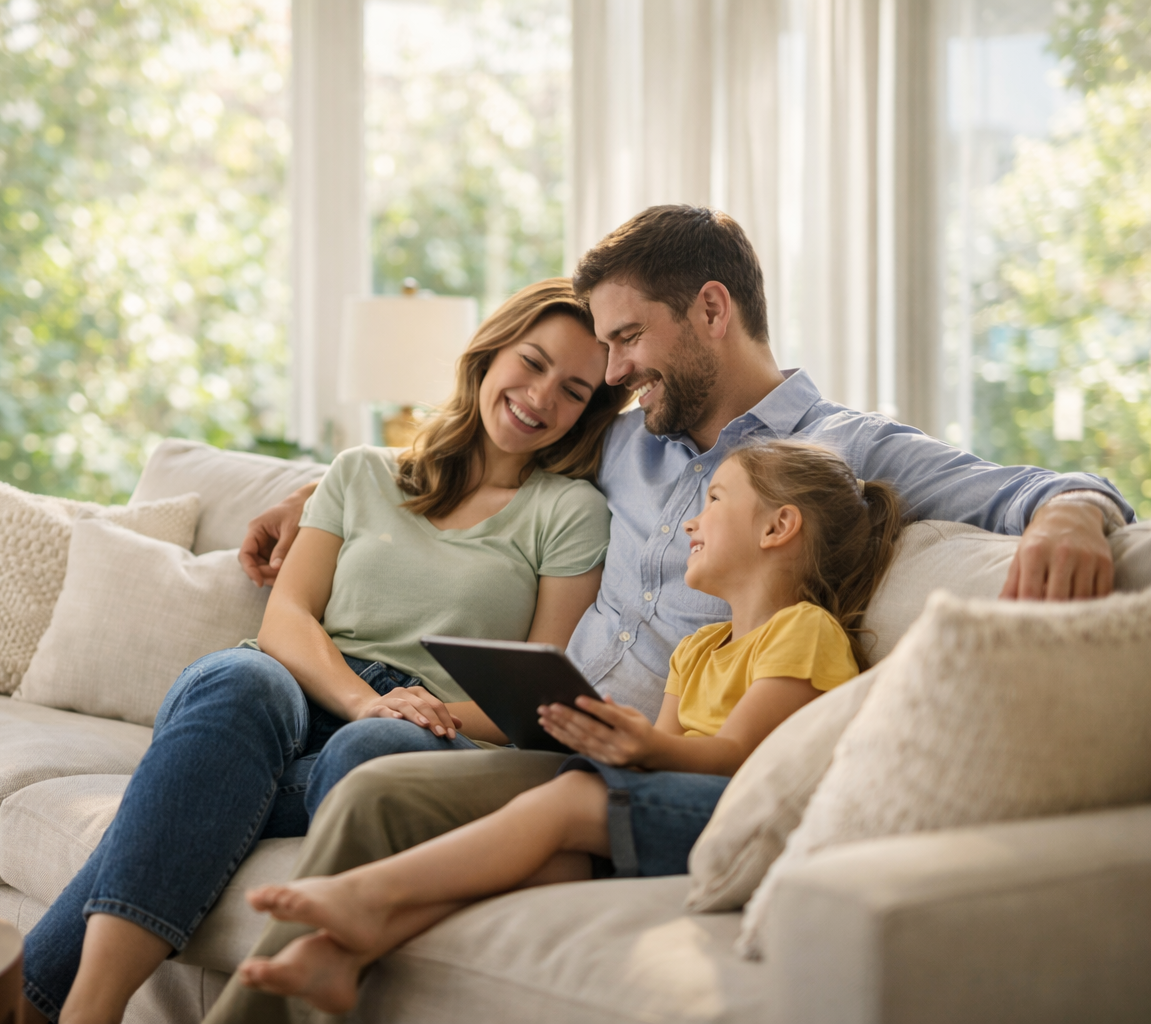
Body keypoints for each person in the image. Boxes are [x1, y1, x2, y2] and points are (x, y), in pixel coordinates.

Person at [206, 204, 1132, 1024]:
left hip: (647, 756)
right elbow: (482, 448)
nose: (611, 371)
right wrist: (311, 494)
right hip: (543, 735)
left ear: (713, 311)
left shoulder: (843, 450)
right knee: (369, 769)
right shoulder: (622, 438)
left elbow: (1035, 488)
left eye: (627, 339)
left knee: (372, 777)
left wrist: (1074, 513)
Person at [20, 279, 627, 1024]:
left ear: (589, 412)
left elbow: (528, 695)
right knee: (242, 681)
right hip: (294, 684)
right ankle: (91, 1011)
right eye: (531, 363)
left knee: (368, 750)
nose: (540, 397)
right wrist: (363, 695)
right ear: (491, 351)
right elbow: (289, 617)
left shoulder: (569, 512)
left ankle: (29, 1003)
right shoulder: (361, 473)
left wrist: (424, 712)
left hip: (429, 721)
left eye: (572, 391)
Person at [234, 439, 903, 1013]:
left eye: (716, 501)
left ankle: (363, 894)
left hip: (740, 814)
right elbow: (665, 753)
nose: (693, 524)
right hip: (663, 798)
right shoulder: (700, 648)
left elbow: (741, 759)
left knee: (570, 798)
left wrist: (640, 742)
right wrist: (619, 739)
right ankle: (347, 953)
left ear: (778, 527)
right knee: (547, 856)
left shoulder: (803, 632)